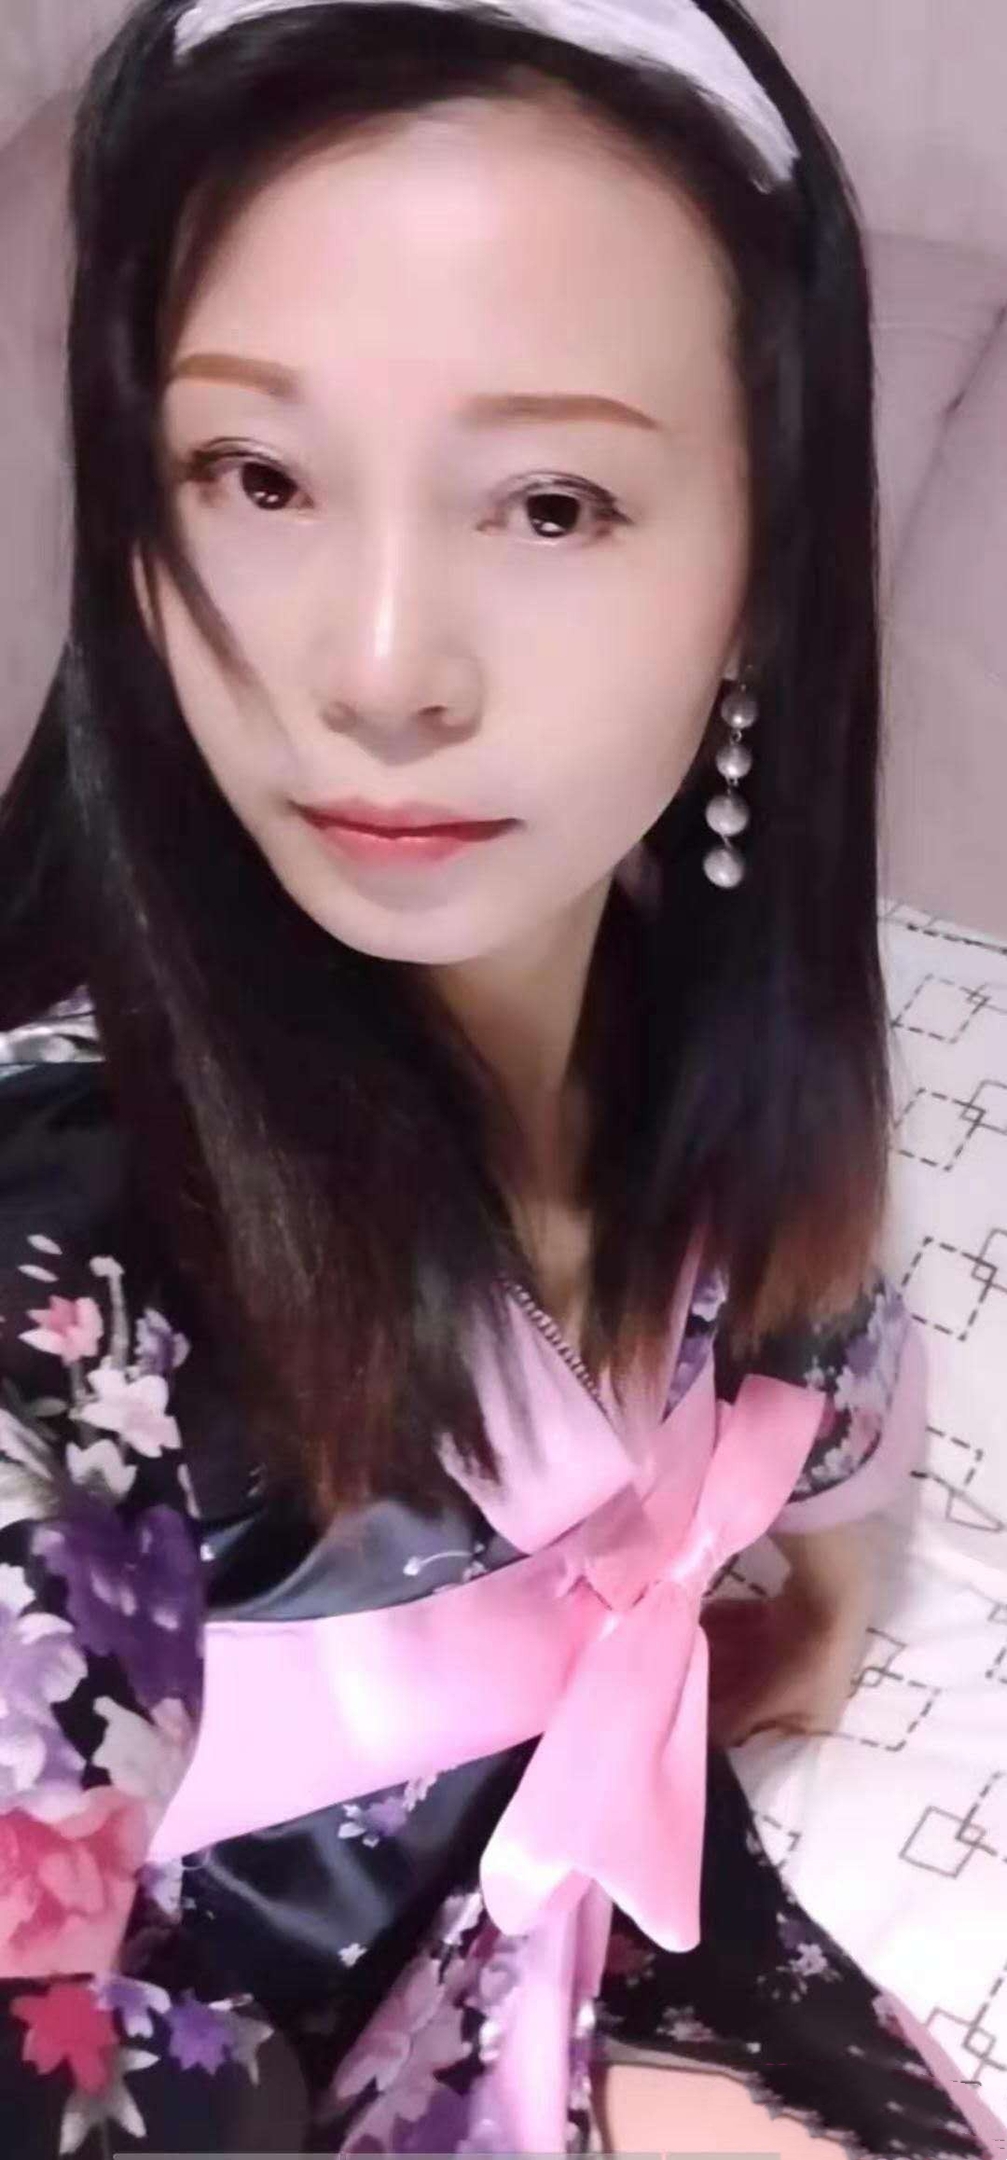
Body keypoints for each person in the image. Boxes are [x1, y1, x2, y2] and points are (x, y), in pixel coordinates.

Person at [0, 0, 1003, 2153]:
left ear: (769, 569)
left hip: (592, 1881)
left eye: (551, 503)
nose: (377, 670)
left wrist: (818, 1566)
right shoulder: (57, 1260)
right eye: (256, 476)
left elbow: (811, 1359)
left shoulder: (694, 1008)